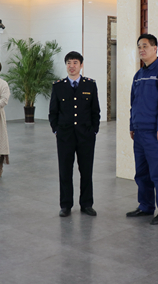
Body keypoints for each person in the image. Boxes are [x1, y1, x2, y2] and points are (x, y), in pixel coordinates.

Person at [126, 34, 158, 225]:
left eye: (145, 46)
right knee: (142, 173)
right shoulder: (138, 75)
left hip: (156, 133)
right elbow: (134, 103)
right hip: (139, 132)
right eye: (139, 46)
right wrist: (132, 125)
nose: (141, 50)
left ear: (155, 48)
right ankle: (146, 206)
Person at [49, 51, 101, 217]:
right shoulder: (58, 86)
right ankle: (65, 205)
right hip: (65, 136)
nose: (72, 66)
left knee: (86, 171)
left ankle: (86, 204)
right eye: (69, 63)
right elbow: (53, 112)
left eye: (75, 63)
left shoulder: (90, 85)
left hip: (86, 136)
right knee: (65, 171)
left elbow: (95, 111)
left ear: (81, 65)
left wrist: (94, 130)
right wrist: (56, 130)